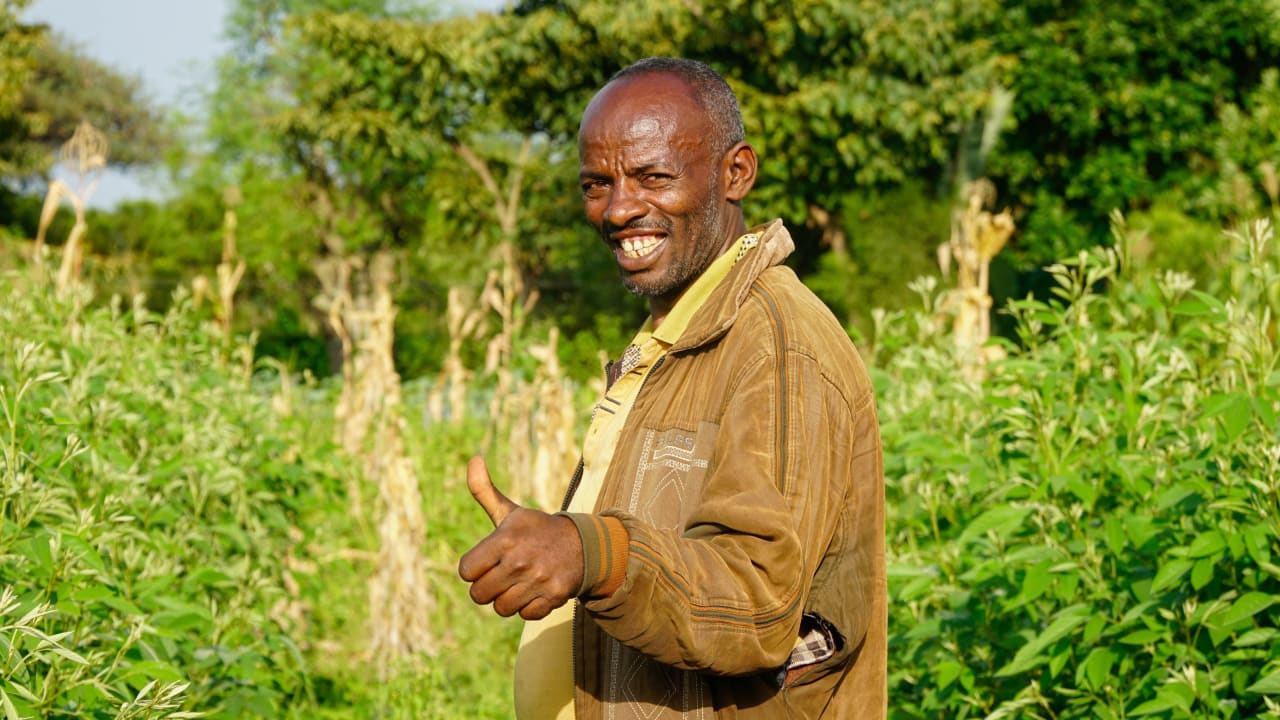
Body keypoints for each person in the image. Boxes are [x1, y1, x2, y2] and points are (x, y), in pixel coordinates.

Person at [458, 56, 886, 719]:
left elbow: (756, 603)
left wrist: (590, 551)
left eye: (654, 177)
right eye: (596, 184)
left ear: (735, 173)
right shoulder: (678, 334)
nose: (620, 209)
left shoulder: (775, 345)